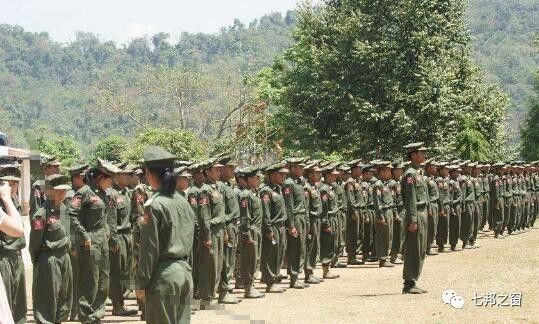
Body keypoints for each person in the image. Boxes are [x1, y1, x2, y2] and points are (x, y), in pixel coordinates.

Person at [135, 145, 195, 324]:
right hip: (184, 273)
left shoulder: (154, 205)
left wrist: (140, 283)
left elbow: (149, 249)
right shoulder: (182, 201)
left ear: (150, 173)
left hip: (164, 277)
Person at [68, 159, 119, 323]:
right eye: (109, 179)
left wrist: (108, 233)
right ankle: (86, 315)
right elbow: (71, 214)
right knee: (90, 280)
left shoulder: (104, 193)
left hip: (102, 239)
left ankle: (97, 314)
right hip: (89, 240)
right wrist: (84, 235)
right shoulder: (83, 192)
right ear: (100, 178)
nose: (112, 182)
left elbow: (106, 216)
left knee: (104, 280)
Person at [29, 174, 73, 324]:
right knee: (47, 297)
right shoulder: (40, 215)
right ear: (50, 191)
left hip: (64, 257)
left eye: (64, 191)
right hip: (49, 259)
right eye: (59, 191)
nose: (62, 194)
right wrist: (39, 262)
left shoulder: (64, 209)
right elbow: (34, 243)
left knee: (64, 295)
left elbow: (68, 232)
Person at [0, 161, 27, 323]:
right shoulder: (4, 204)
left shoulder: (14, 202)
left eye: (15, 183)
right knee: (6, 304)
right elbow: (17, 229)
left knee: (19, 305)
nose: (13, 187)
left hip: (17, 256)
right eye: (8, 183)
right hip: (3, 258)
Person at [401, 142, 428, 294]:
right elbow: (410, 198)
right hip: (416, 214)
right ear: (413, 155)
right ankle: (409, 283)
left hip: (422, 213)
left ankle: (413, 280)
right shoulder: (410, 174)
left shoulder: (419, 172)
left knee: (421, 249)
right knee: (414, 249)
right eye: (421, 152)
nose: (424, 155)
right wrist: (413, 219)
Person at [259, 162, 289, 293]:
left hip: (281, 226)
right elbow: (265, 213)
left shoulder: (278, 189)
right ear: (272, 175)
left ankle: (275, 277)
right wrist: (268, 229)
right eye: (281, 174)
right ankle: (269, 282)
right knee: (271, 254)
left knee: (279, 253)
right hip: (273, 227)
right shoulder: (266, 191)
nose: (283, 176)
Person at [65, 163, 89, 321]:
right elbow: (67, 221)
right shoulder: (70, 195)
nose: (85, 178)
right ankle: (73, 310)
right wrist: (72, 244)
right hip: (75, 243)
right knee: (74, 278)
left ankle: (80, 308)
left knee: (84, 277)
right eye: (82, 176)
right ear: (75, 178)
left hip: (85, 241)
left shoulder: (83, 192)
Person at [237, 166, 265, 298]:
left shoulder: (254, 193)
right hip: (250, 230)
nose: (259, 180)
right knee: (249, 259)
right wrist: (246, 234)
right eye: (256, 178)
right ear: (249, 179)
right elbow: (244, 217)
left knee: (256, 258)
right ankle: (248, 287)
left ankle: (251, 285)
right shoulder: (245, 195)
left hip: (257, 230)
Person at [216, 156, 240, 304]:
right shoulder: (220, 187)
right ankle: (223, 291)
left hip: (233, 226)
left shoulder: (227, 185)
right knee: (226, 260)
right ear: (222, 169)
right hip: (227, 226)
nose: (233, 171)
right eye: (230, 168)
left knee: (230, 258)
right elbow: (221, 212)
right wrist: (225, 230)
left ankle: (226, 287)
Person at [283, 157, 309, 289]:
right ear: (292, 168)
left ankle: (298, 275)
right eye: (300, 167)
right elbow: (289, 206)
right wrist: (291, 225)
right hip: (296, 218)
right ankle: (293, 277)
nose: (302, 169)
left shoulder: (300, 182)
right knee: (295, 248)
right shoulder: (288, 184)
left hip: (303, 217)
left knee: (302, 248)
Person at [319, 165, 340, 279]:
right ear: (327, 176)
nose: (335, 177)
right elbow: (323, 209)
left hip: (334, 218)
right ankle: (325, 270)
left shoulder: (330, 188)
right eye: (333, 175)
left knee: (333, 244)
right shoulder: (324, 189)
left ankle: (328, 269)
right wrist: (325, 224)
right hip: (329, 219)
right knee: (327, 244)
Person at [373, 161, 395, 268]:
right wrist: (380, 216)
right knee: (383, 236)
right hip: (384, 212)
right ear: (382, 171)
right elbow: (377, 202)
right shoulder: (378, 184)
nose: (390, 172)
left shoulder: (385, 183)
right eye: (388, 170)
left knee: (389, 235)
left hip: (389, 211)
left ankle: (385, 257)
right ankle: (382, 258)